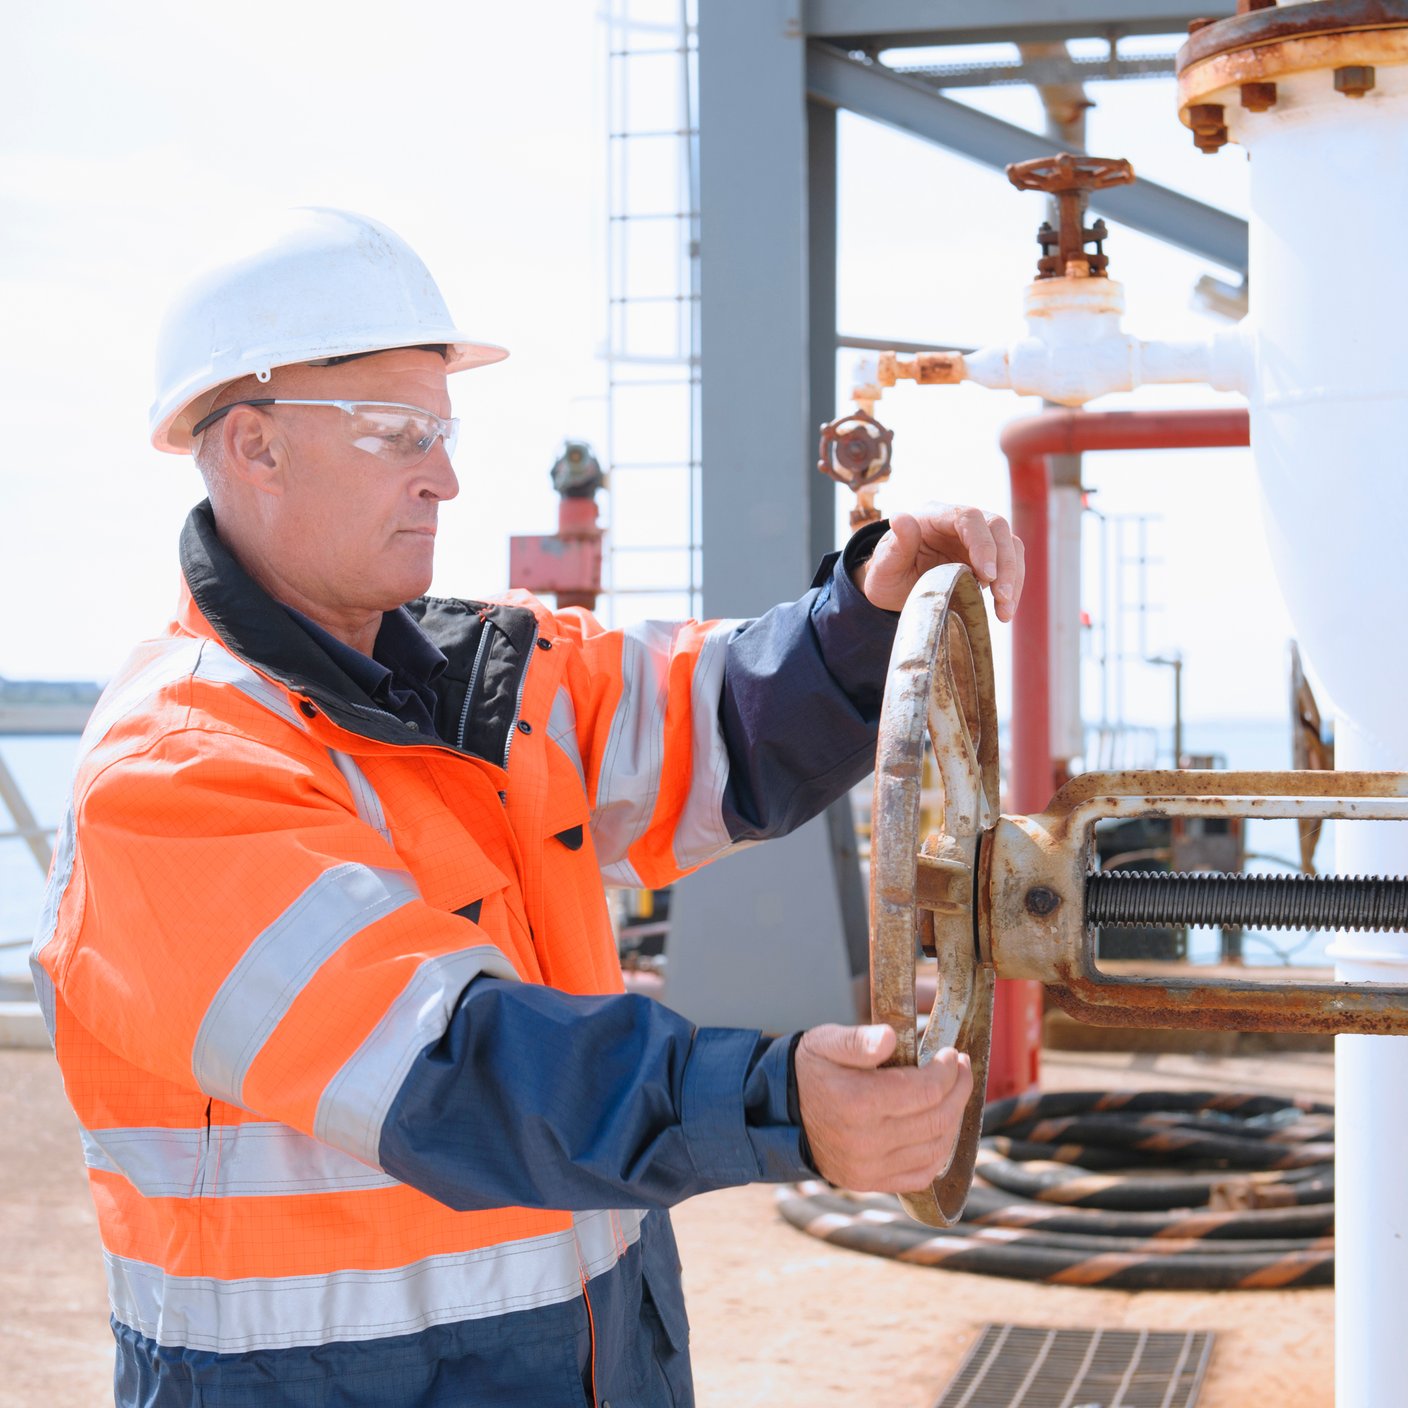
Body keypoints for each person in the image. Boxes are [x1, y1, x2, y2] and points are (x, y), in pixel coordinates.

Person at [32, 208, 1024, 1407]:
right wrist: (775, 1104)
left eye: (441, 430)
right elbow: (451, 1068)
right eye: (396, 432)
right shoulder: (175, 773)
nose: (444, 475)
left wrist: (866, 616)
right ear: (252, 446)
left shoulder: (482, 683)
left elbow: (715, 725)